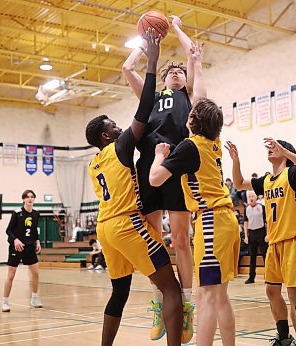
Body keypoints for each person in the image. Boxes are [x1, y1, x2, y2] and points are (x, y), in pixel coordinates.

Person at [85, 30, 183, 346]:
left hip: (105, 229)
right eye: (113, 125)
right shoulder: (121, 146)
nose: (119, 126)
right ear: (106, 136)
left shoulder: (94, 163)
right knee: (171, 287)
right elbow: (145, 107)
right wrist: (152, 60)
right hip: (127, 225)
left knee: (120, 290)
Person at [122, 17, 205, 339]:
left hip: (177, 165)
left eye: (179, 71)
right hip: (147, 167)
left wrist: (177, 26)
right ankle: (161, 299)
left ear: (185, 78)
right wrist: (144, 43)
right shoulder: (153, 98)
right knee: (153, 239)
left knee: (181, 239)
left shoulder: (189, 96)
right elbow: (127, 70)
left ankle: (185, 305)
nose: (175, 73)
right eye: (171, 71)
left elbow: (193, 54)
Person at [149, 97, 240, 346]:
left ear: (191, 120)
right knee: (220, 296)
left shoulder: (190, 147)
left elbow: (155, 179)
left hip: (211, 221)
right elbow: (203, 104)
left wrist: (159, 155)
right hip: (227, 220)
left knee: (206, 296)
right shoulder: (214, 143)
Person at [226, 138, 296, 346]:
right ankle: (284, 337)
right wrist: (236, 160)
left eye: (275, 148)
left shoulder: (292, 175)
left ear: (285, 152)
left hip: (294, 241)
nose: (270, 150)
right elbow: (239, 184)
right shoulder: (266, 181)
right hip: (274, 243)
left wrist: (285, 150)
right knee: (271, 291)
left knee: (294, 293)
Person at [2, 189, 42, 312]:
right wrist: (15, 240)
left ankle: (34, 298)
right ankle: (5, 301)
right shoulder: (17, 213)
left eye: (32, 197)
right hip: (16, 247)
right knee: (11, 275)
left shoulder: (36, 214)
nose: (30, 199)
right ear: (23, 199)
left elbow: (34, 229)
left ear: (34, 199)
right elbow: (8, 230)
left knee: (35, 273)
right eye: (27, 197)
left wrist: (37, 241)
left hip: (30, 247)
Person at [243, 190, 268, 284]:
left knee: (265, 256)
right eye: (249, 197)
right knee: (252, 257)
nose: (251, 198)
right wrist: (246, 236)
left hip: (261, 232)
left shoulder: (262, 207)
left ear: (256, 197)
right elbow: (245, 222)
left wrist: (268, 234)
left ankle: (269, 276)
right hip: (252, 234)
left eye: (252, 196)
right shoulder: (246, 209)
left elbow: (267, 221)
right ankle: (251, 277)